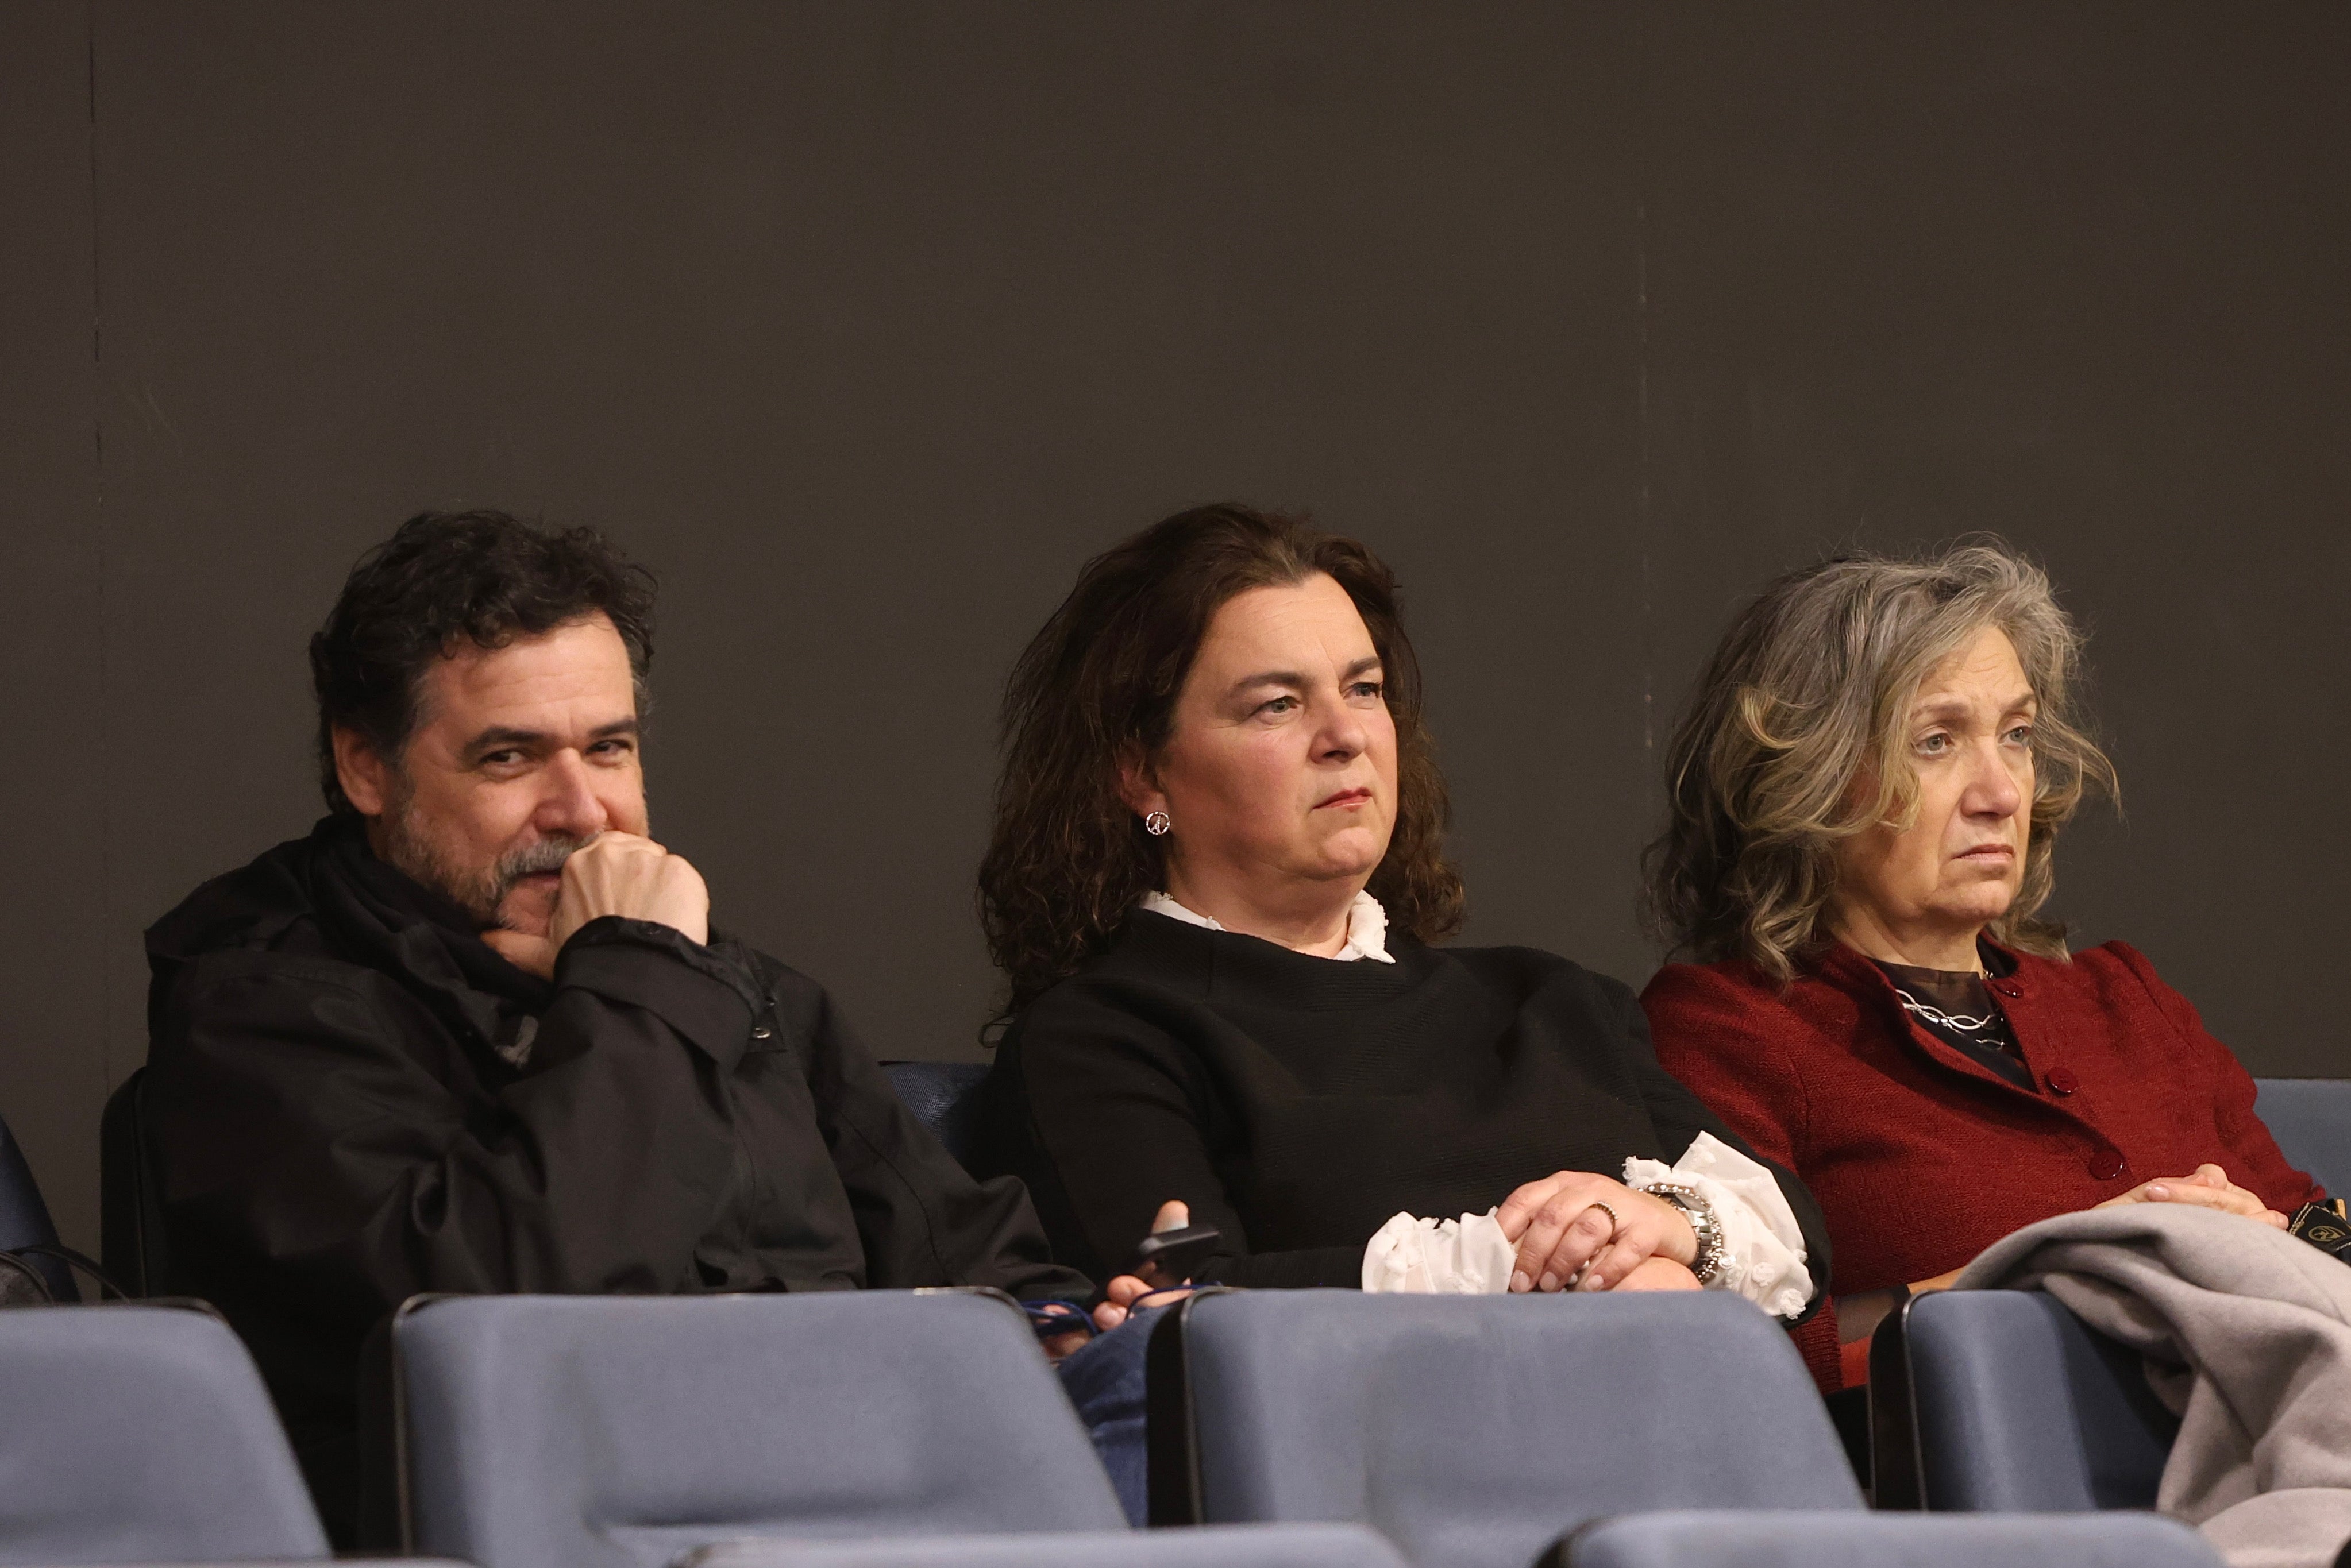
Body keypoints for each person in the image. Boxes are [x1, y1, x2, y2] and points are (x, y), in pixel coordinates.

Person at [141, 511, 1093, 1540]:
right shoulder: (263, 1004)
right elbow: (522, 1308)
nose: (584, 810)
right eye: (510, 757)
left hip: (845, 1503)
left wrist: (1074, 1333)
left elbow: (981, 1260)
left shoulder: (736, 987)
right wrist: (639, 975)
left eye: (610, 748)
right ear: (368, 767)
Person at [973, 503, 1830, 1322]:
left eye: (1365, 688)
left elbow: (1792, 1230)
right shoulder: (1102, 1037)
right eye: (1278, 703)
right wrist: (1537, 1259)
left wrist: (1665, 1226)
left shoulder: (1558, 1001)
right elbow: (1192, 1313)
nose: (1345, 735)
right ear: (1143, 774)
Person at [1638, 542, 2329, 1391]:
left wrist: (2277, 1236)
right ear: (1807, 773)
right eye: (1936, 741)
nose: (2001, 791)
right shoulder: (1731, 1028)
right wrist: (2054, 1269)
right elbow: (1753, 1354)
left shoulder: (2126, 1001)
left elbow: (2305, 1217)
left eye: (2017, 734)